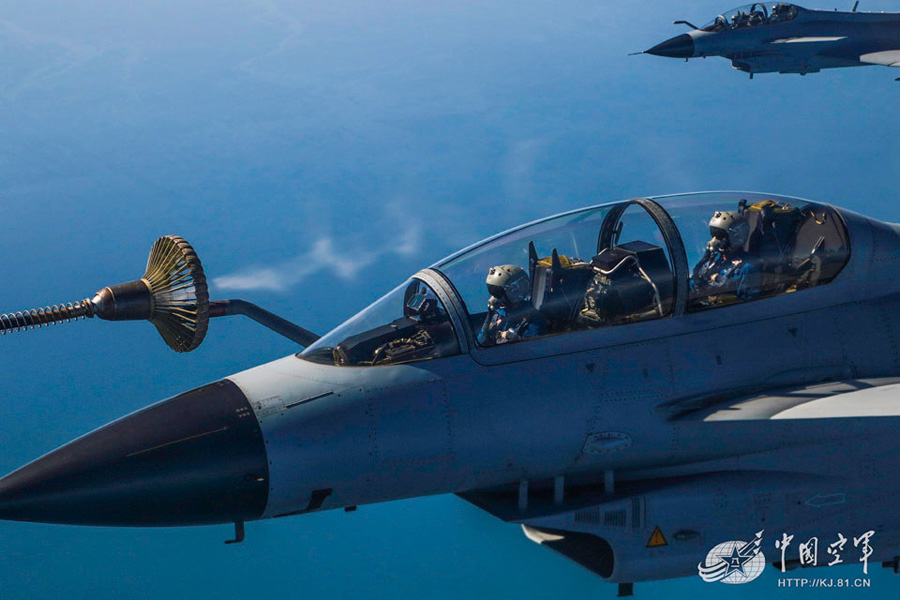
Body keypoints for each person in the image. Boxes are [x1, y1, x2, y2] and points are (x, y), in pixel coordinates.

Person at [691, 211, 760, 303]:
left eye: (720, 236)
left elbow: (750, 304)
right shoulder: (713, 259)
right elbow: (693, 283)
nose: (714, 241)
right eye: (714, 235)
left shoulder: (746, 269)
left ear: (736, 237)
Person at [477, 264, 546, 346]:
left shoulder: (532, 316)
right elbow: (480, 341)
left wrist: (519, 339)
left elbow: (536, 346)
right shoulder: (498, 312)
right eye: (492, 291)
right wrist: (489, 316)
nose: (493, 298)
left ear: (514, 292)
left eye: (497, 292)